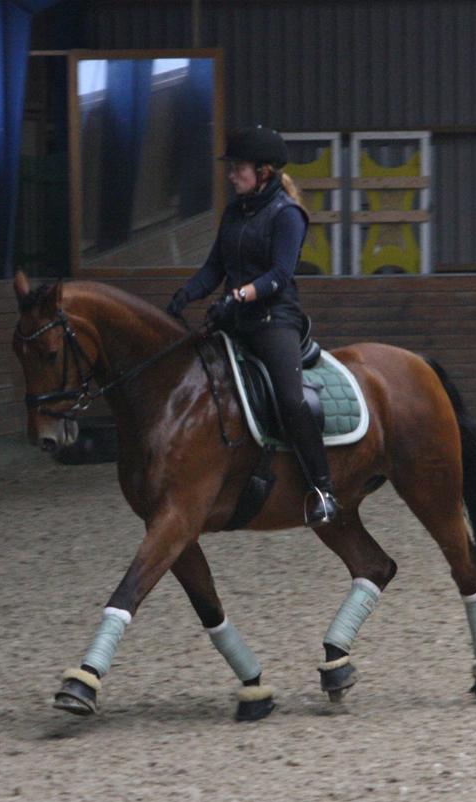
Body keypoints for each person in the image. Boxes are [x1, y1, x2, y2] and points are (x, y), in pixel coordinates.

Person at [166, 125, 339, 526]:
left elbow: (280, 274)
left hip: (274, 320)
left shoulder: (288, 215)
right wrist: (186, 294)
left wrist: (239, 295)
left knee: (291, 399)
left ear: (263, 171)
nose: (231, 175)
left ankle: (324, 488)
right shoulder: (234, 213)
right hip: (234, 318)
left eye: (238, 168)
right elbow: (214, 269)